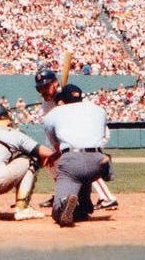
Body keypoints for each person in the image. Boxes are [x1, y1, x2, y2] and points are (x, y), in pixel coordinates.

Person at [33, 70, 120, 211]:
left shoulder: (70, 93)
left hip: (91, 135)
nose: (43, 91)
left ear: (55, 83)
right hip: (68, 138)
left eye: (46, 87)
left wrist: (63, 104)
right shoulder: (47, 104)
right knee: (54, 163)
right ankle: (62, 193)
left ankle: (107, 198)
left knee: (82, 161)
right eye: (40, 88)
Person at [43, 84, 114, 227]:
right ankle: (83, 207)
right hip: (98, 161)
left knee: (71, 175)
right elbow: (100, 134)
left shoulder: (53, 113)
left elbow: (56, 147)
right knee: (83, 175)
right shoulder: (99, 110)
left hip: (73, 160)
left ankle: (63, 205)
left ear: (62, 100)